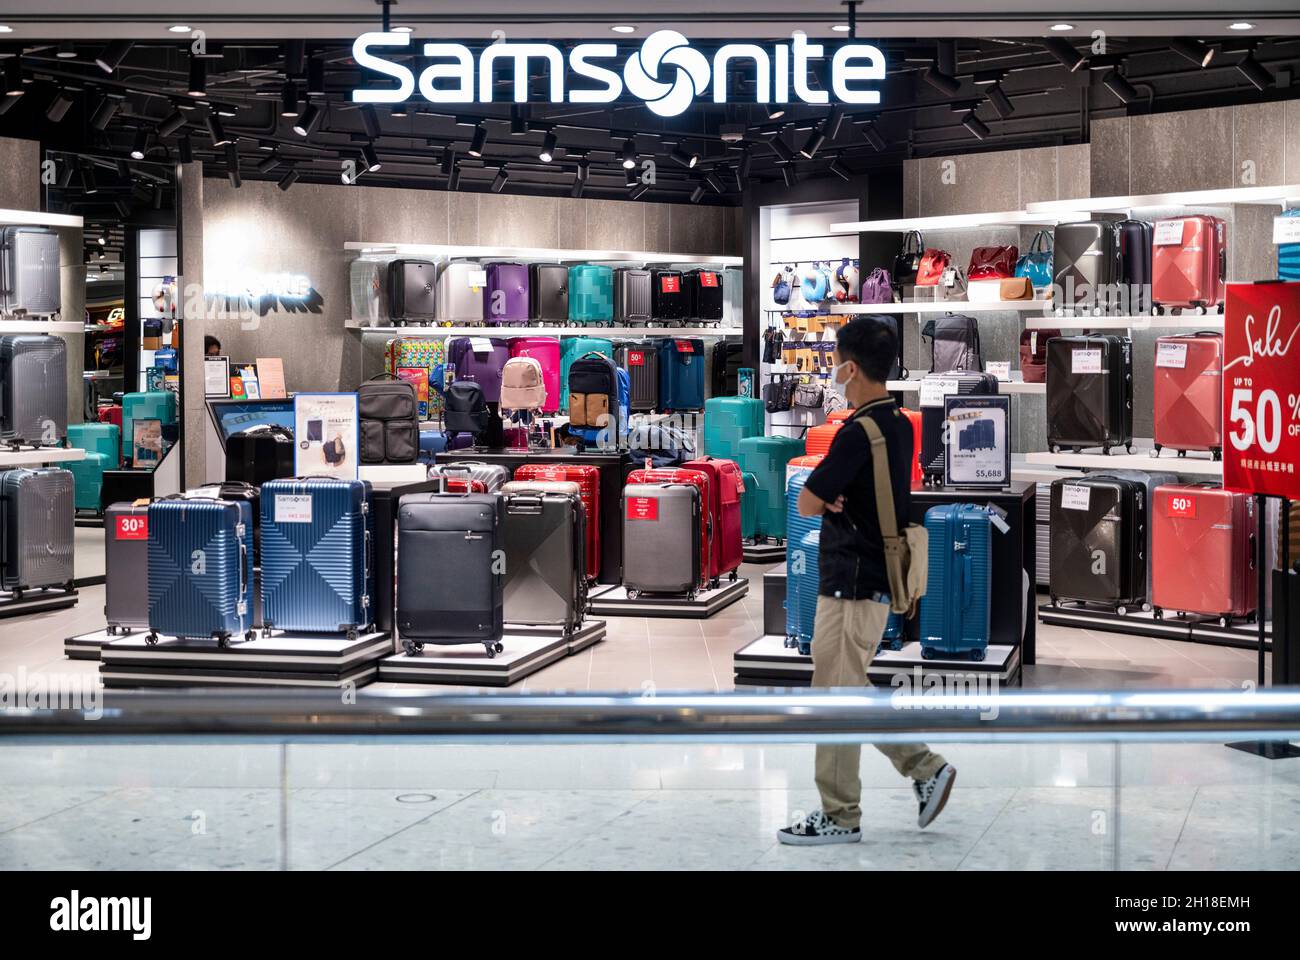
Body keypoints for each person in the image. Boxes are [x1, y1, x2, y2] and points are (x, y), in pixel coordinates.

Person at [778, 318, 956, 846]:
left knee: (834, 695)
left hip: (850, 578)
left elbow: (809, 499)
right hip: (879, 576)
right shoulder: (899, 423)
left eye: (836, 359)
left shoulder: (856, 432)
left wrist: (828, 494)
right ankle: (925, 769)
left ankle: (840, 813)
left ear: (850, 367)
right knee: (847, 689)